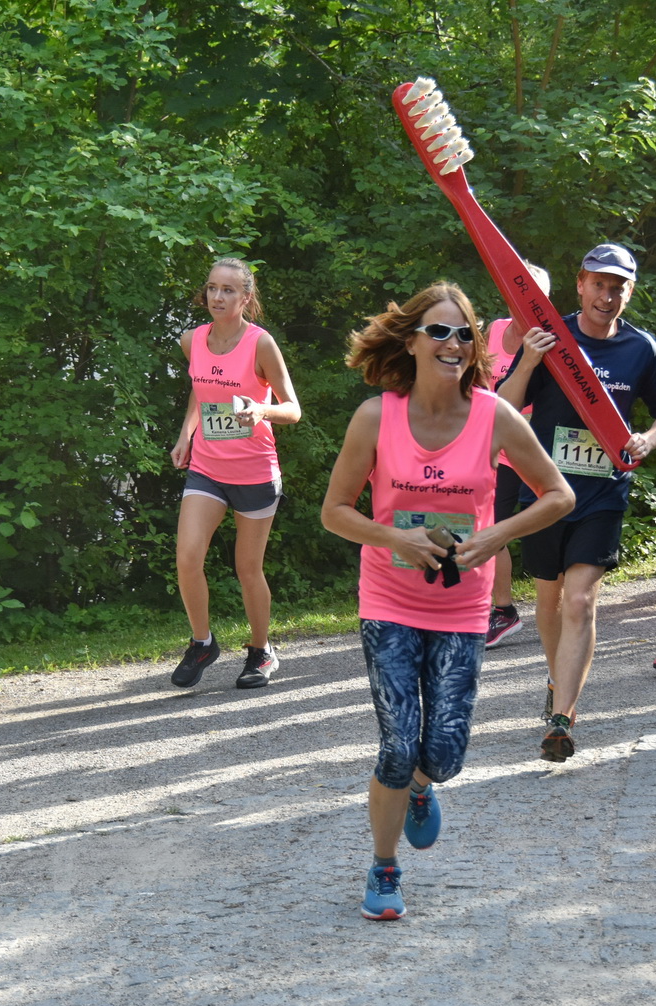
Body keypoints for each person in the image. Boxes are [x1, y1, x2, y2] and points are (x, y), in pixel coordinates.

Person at [322, 283, 573, 920]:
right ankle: (383, 869)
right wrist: (393, 536)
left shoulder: (493, 415)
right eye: (439, 331)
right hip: (388, 600)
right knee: (397, 745)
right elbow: (335, 512)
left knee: (444, 755)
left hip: (462, 608)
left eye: (463, 334)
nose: (454, 343)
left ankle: (422, 790)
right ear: (410, 341)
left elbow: (558, 495)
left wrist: (492, 536)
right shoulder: (376, 417)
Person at [501, 244, 656, 760]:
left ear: (630, 291)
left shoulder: (640, 348)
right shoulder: (550, 336)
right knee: (549, 598)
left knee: (580, 599)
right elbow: (505, 406)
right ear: (580, 284)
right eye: (599, 283)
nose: (608, 294)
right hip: (545, 492)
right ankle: (559, 679)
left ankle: (562, 713)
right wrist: (531, 358)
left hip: (603, 492)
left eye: (618, 285)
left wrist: (648, 437)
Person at [170, 258, 302, 690]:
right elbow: (199, 388)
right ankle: (202, 642)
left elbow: (292, 409)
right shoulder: (192, 340)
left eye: (228, 290)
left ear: (246, 297)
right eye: (211, 288)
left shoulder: (261, 344)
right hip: (207, 467)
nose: (217, 297)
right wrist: (186, 435)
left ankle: (261, 651)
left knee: (248, 568)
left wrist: (260, 408)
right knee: (188, 556)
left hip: (255, 470)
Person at [482, 263, 553, 649]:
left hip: (529, 446)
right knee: (484, 525)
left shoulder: (550, 340)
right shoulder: (494, 329)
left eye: (533, 294)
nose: (524, 300)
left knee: (511, 526)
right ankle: (500, 609)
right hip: (491, 442)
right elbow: (477, 380)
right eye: (517, 289)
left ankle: (511, 609)